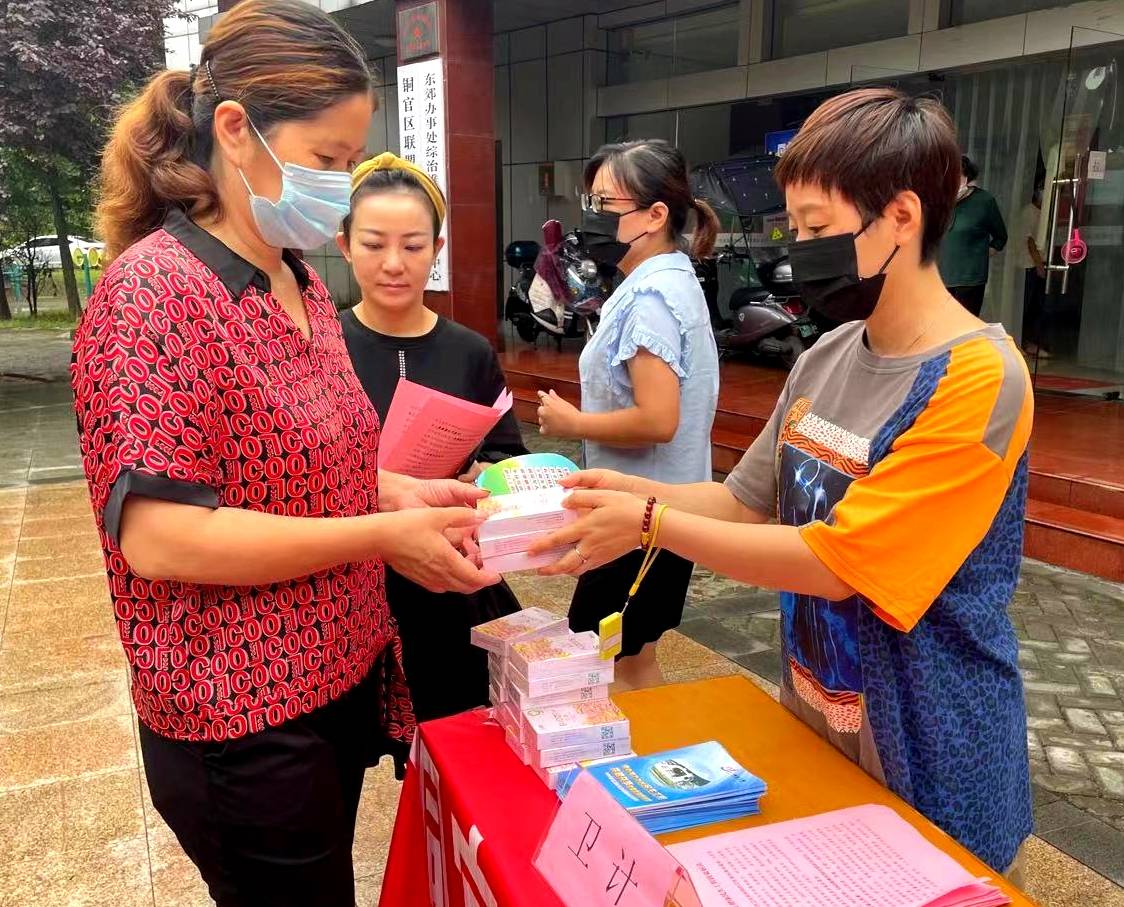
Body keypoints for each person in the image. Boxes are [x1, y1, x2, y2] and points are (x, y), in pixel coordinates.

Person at [534, 89, 1033, 879]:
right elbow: (742, 499)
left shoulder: (977, 377)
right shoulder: (827, 354)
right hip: (817, 719)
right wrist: (611, 496)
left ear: (901, 217)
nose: (798, 249)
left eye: (817, 227)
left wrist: (649, 522)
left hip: (932, 749)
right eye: (793, 227)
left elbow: (838, 564)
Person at [73, 3, 498, 904]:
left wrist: (404, 494)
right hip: (242, 715)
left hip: (337, 678)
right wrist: (378, 535)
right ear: (236, 130)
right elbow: (162, 538)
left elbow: (306, 465)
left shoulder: (294, 276)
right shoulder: (154, 294)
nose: (343, 187)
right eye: (328, 160)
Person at [337, 152, 528, 721]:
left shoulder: (469, 351)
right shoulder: (318, 342)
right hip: (348, 575)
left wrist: (477, 478)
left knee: (454, 726)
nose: (393, 264)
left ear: (437, 251)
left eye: (414, 246)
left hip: (443, 579)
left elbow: (506, 455)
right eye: (374, 244)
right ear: (345, 244)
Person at [535, 139, 720, 692]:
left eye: (604, 205)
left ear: (655, 214)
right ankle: (647, 768)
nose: (589, 219)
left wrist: (573, 424)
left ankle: (629, 773)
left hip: (641, 515)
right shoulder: (666, 280)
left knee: (605, 658)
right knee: (629, 657)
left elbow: (657, 419)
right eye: (589, 203)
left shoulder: (653, 297)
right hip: (657, 510)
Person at [939, 154, 1008, 316]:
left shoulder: (984, 201)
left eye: (957, 175)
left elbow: (1000, 236)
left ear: (967, 176)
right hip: (943, 276)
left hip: (970, 279)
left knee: (964, 328)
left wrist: (983, 254)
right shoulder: (943, 201)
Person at [1020, 187, 1050, 358]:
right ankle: (1025, 341)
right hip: (1029, 265)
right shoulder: (1029, 213)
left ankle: (1032, 342)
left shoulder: (1042, 213)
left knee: (1037, 306)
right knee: (1028, 305)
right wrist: (1039, 265)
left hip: (1038, 263)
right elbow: (1030, 241)